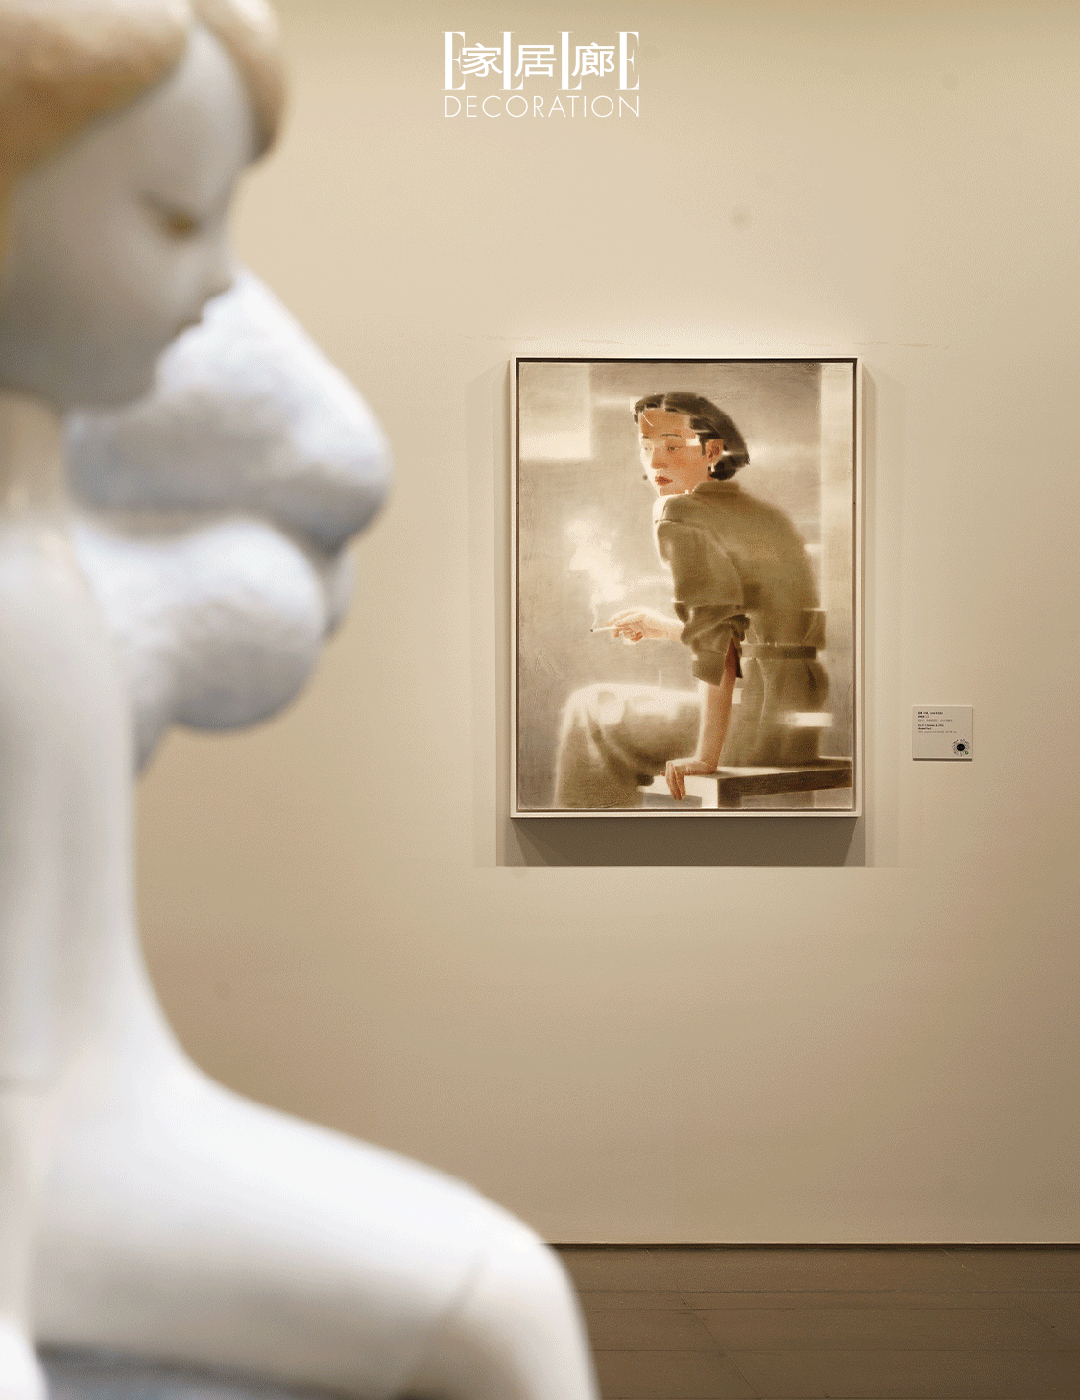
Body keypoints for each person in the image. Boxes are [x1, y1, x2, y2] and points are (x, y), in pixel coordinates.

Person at [0, 7, 595, 1400]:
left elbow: (331, 459)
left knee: (509, 1302)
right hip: (61, 1146)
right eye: (170, 217)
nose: (219, 279)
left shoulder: (50, 562)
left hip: (95, 1129)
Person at [555, 391, 827, 808]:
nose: (655, 463)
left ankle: (586, 841)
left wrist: (706, 756)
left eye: (671, 447)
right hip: (795, 727)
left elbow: (719, 645)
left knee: (589, 708)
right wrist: (663, 627)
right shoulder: (768, 516)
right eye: (646, 448)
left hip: (748, 728)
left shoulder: (679, 512)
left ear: (712, 451)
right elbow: (758, 632)